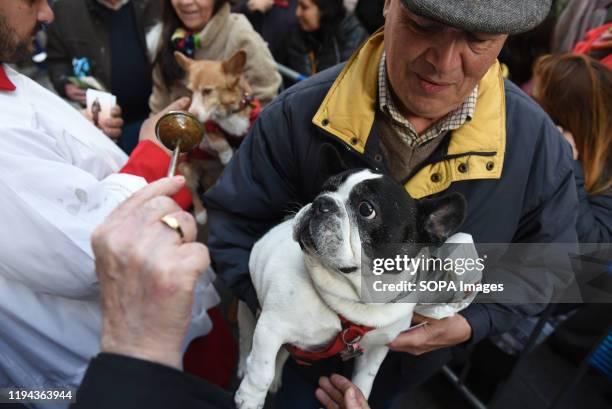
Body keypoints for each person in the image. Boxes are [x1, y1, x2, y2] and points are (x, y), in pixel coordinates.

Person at [203, 0, 578, 407]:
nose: (444, 61)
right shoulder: (299, 111)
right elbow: (235, 225)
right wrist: (288, 314)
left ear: (505, 38)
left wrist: (473, 320)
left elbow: (554, 263)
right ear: (387, 5)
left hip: (396, 373)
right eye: (423, 25)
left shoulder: (538, 147)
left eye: (478, 40)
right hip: (288, 359)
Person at [0, 0, 222, 398]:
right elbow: (91, 251)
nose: (48, 14)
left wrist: (82, 135)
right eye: (32, 0)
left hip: (158, 339)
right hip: (118, 372)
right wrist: (153, 154)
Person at [73, 177, 369, 409]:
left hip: (376, 362)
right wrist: (253, 292)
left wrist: (416, 305)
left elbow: (410, 252)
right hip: (280, 323)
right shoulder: (297, 114)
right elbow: (234, 218)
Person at [46, 0, 160, 154]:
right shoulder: (64, 10)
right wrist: (64, 83)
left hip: (158, 113)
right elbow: (56, 60)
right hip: (107, 127)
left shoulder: (154, 4)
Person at [148, 0, 282, 114]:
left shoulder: (240, 36)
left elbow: (269, 101)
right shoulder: (167, 37)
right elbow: (159, 107)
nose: (185, 2)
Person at [532, 53, 612, 243]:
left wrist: (567, 165)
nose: (530, 106)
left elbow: (593, 247)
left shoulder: (604, 173)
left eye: (536, 101)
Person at [283, 0, 368, 77]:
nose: (297, 13)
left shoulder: (354, 37)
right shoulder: (298, 33)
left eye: (304, 7)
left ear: (325, 10)